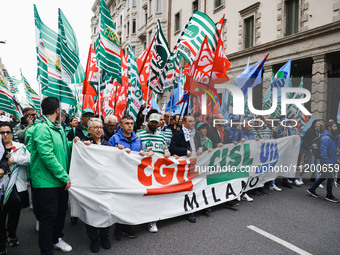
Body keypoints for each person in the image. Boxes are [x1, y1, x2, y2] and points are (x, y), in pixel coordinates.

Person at [30, 97, 72, 254]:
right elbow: (47, 155)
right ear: (57, 110)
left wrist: (74, 143)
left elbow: (61, 148)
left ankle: (57, 239)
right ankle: (46, 250)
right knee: (48, 218)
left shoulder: (58, 127)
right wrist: (64, 176)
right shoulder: (42, 128)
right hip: (46, 183)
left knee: (61, 213)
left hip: (59, 181)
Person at [74, 118, 111, 253]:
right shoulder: (83, 144)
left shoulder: (107, 145)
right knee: (91, 212)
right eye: (95, 127)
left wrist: (120, 152)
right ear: (88, 130)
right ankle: (94, 239)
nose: (99, 130)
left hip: (104, 184)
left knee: (105, 211)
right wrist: (78, 143)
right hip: (89, 185)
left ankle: (104, 236)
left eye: (100, 127)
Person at [109, 115, 145, 241]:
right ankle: (118, 229)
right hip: (119, 176)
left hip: (133, 176)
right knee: (120, 202)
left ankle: (127, 227)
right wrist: (114, 150)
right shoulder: (115, 138)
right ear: (121, 125)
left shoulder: (137, 138)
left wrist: (145, 152)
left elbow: (143, 151)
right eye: (127, 123)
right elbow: (106, 155)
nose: (130, 125)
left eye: (131, 123)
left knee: (131, 202)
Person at [137, 113, 170, 233]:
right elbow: (136, 148)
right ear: (148, 121)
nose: (153, 124)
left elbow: (166, 149)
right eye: (152, 122)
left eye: (156, 122)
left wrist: (167, 153)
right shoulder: (139, 134)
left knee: (156, 195)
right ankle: (144, 217)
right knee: (146, 195)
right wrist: (142, 153)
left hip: (158, 171)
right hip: (144, 170)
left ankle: (152, 219)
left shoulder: (161, 136)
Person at [0, 122, 30, 254]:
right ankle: (1, 244)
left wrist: (15, 159)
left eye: (8, 132)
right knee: (1, 216)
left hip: (17, 187)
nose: (5, 135)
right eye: (2, 132)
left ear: (12, 133)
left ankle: (11, 233)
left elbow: (30, 159)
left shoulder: (20, 147)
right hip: (1, 189)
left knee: (14, 214)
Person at [169, 115, 203, 223]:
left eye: (194, 121)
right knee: (184, 188)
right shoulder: (178, 134)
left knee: (192, 187)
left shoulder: (196, 133)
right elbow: (172, 148)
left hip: (193, 165)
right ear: (184, 123)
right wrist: (185, 151)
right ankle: (182, 209)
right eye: (190, 121)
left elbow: (199, 145)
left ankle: (190, 210)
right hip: (182, 166)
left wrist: (200, 148)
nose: (193, 123)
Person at [307, 122, 339, 203]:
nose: (336, 128)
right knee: (331, 179)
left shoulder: (331, 137)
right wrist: (327, 162)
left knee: (323, 176)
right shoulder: (326, 138)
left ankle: (311, 189)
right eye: (334, 127)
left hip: (331, 161)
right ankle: (329, 195)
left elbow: (331, 151)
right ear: (329, 127)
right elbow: (323, 152)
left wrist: (336, 160)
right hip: (328, 163)